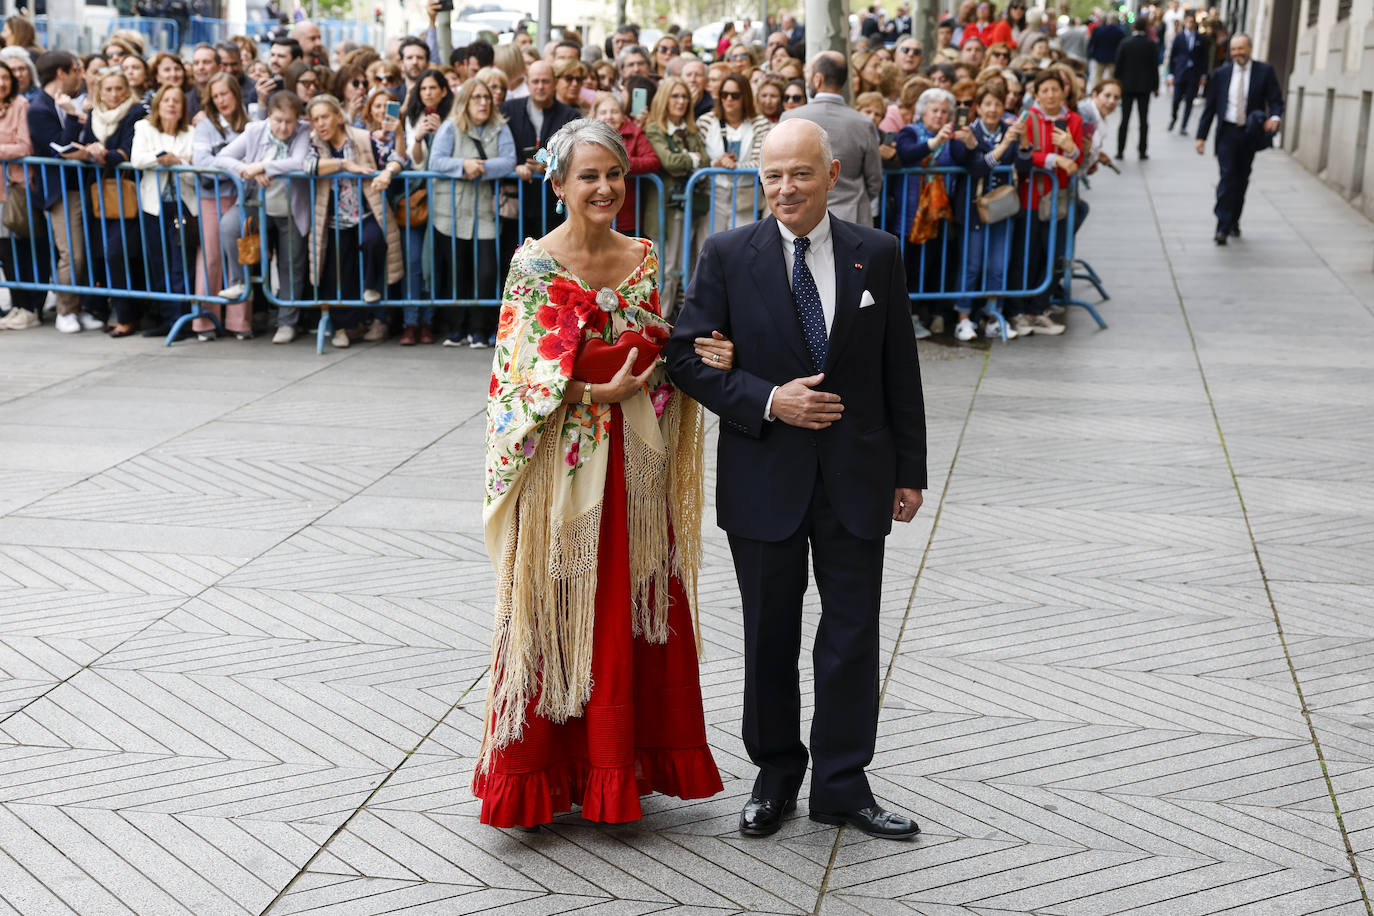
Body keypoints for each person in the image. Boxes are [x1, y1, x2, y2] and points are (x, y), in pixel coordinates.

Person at [666, 117, 927, 841]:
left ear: (832, 173)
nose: (786, 188)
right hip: (764, 477)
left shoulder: (877, 255)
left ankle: (843, 784)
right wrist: (768, 399)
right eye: (773, 175)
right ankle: (776, 773)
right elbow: (683, 358)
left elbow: (898, 368)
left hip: (858, 477)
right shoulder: (726, 254)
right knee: (768, 637)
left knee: (851, 636)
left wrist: (912, 469)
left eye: (800, 173)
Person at [474, 117, 731, 829]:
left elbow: (659, 353)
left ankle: (624, 765)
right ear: (557, 185)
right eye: (588, 175)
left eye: (614, 174)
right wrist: (591, 391)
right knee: (556, 605)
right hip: (562, 474)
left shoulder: (645, 256)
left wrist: (686, 362)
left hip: (636, 471)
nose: (605, 187)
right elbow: (511, 385)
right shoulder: (532, 267)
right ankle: (545, 772)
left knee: (633, 603)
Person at [211, 90, 313, 344]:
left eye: (289, 121)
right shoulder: (255, 130)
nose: (283, 127)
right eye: (278, 120)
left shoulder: (303, 132)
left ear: (297, 120)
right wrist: (247, 170)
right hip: (257, 203)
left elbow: (298, 162)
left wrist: (265, 166)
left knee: (291, 264)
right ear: (269, 116)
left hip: (291, 207)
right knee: (230, 225)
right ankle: (237, 280)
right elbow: (222, 157)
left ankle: (287, 321)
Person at [304, 94, 404, 348]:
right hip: (333, 220)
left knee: (374, 241)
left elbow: (396, 158)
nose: (320, 124)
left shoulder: (362, 138)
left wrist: (387, 174)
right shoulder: (315, 143)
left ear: (338, 116)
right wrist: (344, 163)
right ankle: (342, 327)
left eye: (325, 117)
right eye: (315, 119)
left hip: (366, 213)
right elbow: (308, 165)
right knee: (337, 272)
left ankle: (371, 285)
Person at [429, 76, 514, 348]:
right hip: (450, 211)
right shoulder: (450, 127)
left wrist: (481, 167)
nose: (483, 102)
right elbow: (436, 160)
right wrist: (462, 164)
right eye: (477, 97)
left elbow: (509, 160)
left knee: (486, 271)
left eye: (486, 97)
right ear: (465, 101)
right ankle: (457, 328)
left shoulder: (500, 128)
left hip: (484, 211)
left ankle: (480, 328)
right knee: (458, 270)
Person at [28, 51, 101, 335]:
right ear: (61, 72)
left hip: (83, 184)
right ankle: (65, 310)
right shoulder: (38, 108)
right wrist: (73, 117)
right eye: (76, 69)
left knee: (86, 251)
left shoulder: (75, 100)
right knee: (72, 252)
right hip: (60, 191)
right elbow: (59, 148)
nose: (80, 75)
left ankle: (79, 307)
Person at [950, 82, 1027, 340]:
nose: (993, 109)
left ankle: (994, 315)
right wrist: (1002, 146)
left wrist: (1024, 141)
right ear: (978, 107)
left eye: (997, 103)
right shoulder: (967, 131)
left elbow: (1023, 165)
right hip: (974, 209)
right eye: (987, 104)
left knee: (998, 264)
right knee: (971, 264)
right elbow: (976, 167)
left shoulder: (1010, 130)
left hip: (1003, 208)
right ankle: (964, 317)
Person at [1194, 33, 1282, 245]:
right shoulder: (1221, 74)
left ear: (1250, 48)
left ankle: (1233, 221)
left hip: (1250, 133)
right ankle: (1222, 226)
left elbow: (1275, 99)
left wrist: (1275, 117)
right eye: (1233, 50)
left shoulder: (1265, 71)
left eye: (1241, 49)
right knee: (1227, 177)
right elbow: (1211, 107)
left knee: (1241, 180)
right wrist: (1201, 137)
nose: (1237, 53)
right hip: (1227, 132)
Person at [78, 68, 145, 337]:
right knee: (101, 254)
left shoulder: (136, 112)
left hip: (127, 193)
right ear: (99, 91)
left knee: (119, 254)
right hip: (99, 194)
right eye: (108, 89)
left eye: (119, 89)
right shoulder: (93, 115)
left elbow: (129, 150)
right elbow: (84, 143)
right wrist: (88, 150)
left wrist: (105, 154)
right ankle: (111, 310)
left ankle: (128, 316)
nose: (114, 94)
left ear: (127, 90)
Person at [780, 52, 881, 227]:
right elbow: (874, 178)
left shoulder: (790, 118)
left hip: (802, 216)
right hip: (852, 216)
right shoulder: (863, 123)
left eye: (809, 75)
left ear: (818, 79)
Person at [131, 85, 199, 339]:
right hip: (154, 205)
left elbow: (195, 172)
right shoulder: (144, 128)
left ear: (183, 108)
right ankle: (167, 317)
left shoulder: (191, 133)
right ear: (158, 104)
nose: (171, 105)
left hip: (184, 204)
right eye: (166, 100)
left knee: (181, 262)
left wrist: (179, 163)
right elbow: (137, 159)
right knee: (158, 261)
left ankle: (182, 318)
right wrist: (163, 158)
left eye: (177, 101)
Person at [190, 72, 250, 341]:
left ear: (235, 93)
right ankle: (205, 321)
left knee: (240, 256)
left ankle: (240, 322)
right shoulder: (205, 126)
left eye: (224, 94)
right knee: (211, 257)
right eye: (215, 96)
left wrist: (223, 161)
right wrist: (235, 166)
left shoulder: (250, 123)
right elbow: (201, 161)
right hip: (211, 197)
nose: (220, 100)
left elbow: (255, 158)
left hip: (241, 199)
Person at [642, 75, 706, 317]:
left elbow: (706, 161)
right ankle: (660, 320)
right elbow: (669, 162)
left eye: (684, 97)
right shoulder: (655, 129)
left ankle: (673, 321)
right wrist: (692, 159)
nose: (680, 102)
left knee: (682, 267)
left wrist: (689, 160)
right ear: (664, 99)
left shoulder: (690, 130)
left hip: (689, 208)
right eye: (675, 96)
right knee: (664, 268)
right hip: (664, 209)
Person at [502, 60, 578, 240]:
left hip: (554, 207)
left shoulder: (570, 116)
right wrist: (515, 167)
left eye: (545, 81)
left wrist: (548, 167)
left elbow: (575, 156)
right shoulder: (508, 110)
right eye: (535, 82)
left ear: (554, 84)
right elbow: (498, 150)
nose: (540, 87)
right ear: (527, 84)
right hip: (516, 206)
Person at [697, 73, 771, 233]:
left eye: (735, 95)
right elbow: (699, 159)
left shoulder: (760, 123)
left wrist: (735, 166)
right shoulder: (706, 121)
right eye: (724, 94)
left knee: (741, 248)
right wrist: (715, 164)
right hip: (712, 194)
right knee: (708, 246)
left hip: (745, 195)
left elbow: (761, 161)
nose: (729, 99)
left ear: (745, 97)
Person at [0, 62, 42, 332]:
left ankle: (29, 306)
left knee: (17, 247)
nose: (2, 82)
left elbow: (25, 146)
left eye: (5, 77)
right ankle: (17, 304)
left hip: (15, 189)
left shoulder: (21, 106)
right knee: (5, 249)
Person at [592, 91, 660, 239]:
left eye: (614, 111)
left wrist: (622, 163)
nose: (609, 116)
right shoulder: (586, 137)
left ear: (623, 115)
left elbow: (653, 160)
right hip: (594, 212)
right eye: (603, 112)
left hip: (628, 216)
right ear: (595, 115)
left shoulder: (635, 134)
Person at [1113, 19, 1159, 161]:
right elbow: (1154, 67)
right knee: (1143, 121)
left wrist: (1117, 84)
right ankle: (1142, 151)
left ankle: (1120, 150)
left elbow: (1118, 66)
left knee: (1124, 120)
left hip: (1127, 87)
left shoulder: (1126, 43)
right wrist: (1155, 87)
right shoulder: (1150, 45)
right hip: (1144, 88)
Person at [1168, 12, 1208, 134]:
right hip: (1180, 72)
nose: (1190, 24)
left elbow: (1204, 58)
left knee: (1189, 101)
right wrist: (1171, 74)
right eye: (1188, 21)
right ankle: (1174, 118)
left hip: (1194, 74)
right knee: (1176, 100)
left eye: (1192, 22)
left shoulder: (1200, 38)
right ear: (1185, 22)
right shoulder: (1179, 37)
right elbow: (1173, 56)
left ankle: (1184, 125)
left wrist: (1203, 75)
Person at [1087, 14, 1124, 87]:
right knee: (1111, 79)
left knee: (1098, 77)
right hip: (1113, 58)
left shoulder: (1099, 29)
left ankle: (1098, 91)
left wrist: (1093, 54)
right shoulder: (1120, 32)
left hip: (1100, 56)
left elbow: (1093, 43)